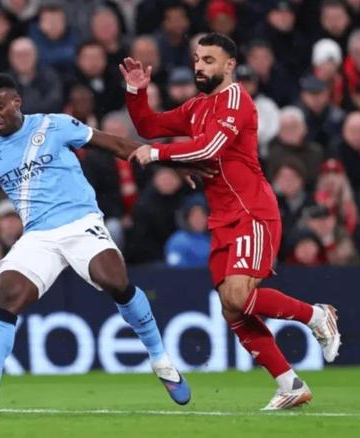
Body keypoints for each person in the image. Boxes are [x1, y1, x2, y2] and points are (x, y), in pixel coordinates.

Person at [0, 73, 210, 416]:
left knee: (114, 280)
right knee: (7, 294)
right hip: (38, 236)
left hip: (81, 222)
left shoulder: (55, 125)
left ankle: (160, 360)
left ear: (16, 102)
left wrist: (171, 161)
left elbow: (117, 145)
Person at [123, 32, 341, 410]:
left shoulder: (237, 100)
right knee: (231, 307)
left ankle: (316, 315)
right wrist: (135, 90)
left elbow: (209, 148)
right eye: (196, 59)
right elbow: (148, 124)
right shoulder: (197, 107)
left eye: (208, 60)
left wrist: (157, 154)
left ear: (229, 65)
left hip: (251, 210)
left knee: (239, 296)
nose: (199, 67)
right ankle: (289, 383)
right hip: (222, 218)